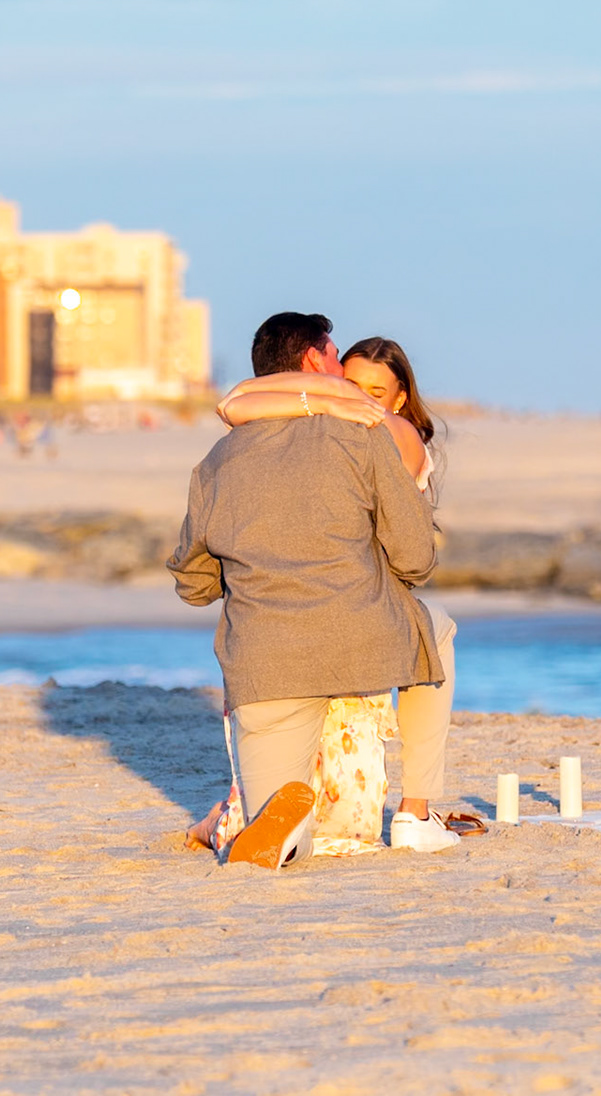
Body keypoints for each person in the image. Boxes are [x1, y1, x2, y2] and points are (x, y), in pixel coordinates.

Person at [168, 312, 450, 868]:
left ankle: (273, 830)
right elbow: (415, 561)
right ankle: (416, 812)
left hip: (263, 664)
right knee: (435, 630)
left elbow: (193, 585)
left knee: (275, 822)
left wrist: (249, 572)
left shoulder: (216, 461)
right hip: (361, 643)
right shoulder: (362, 436)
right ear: (314, 361)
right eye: (336, 357)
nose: (343, 375)